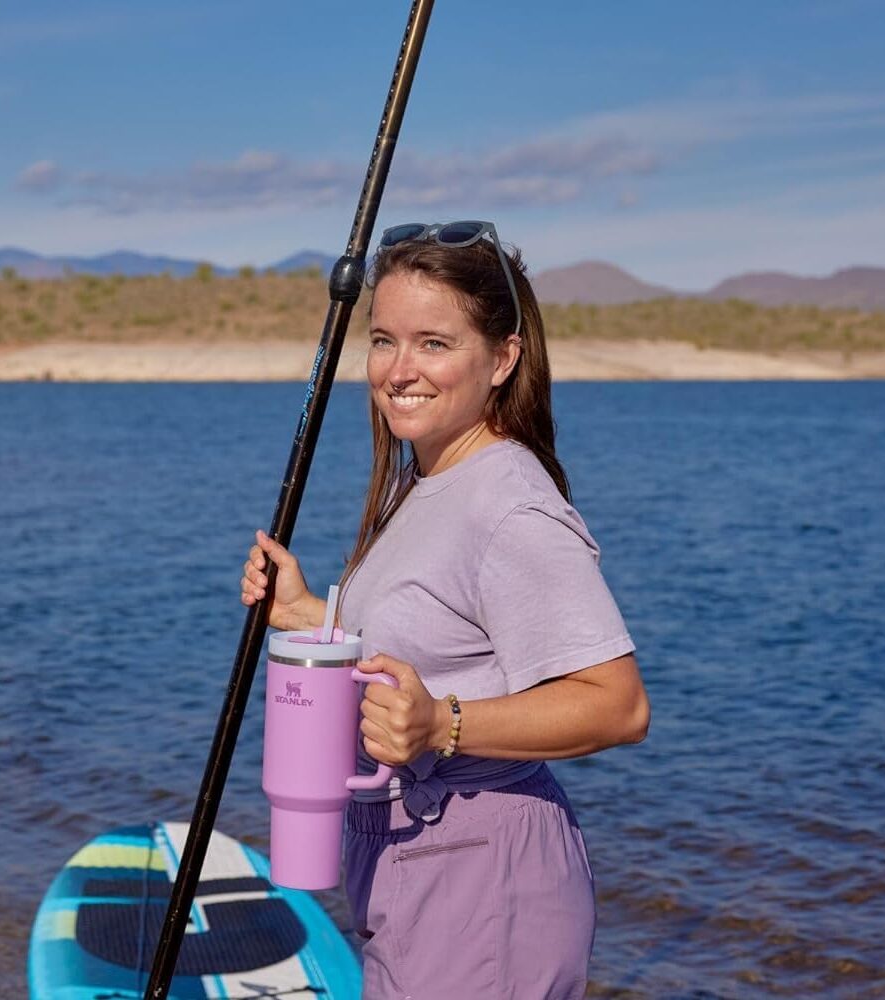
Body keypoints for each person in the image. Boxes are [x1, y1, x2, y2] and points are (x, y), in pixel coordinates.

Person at [241, 220, 649, 999]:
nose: (399, 369)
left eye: (434, 342)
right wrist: (306, 621)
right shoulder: (425, 482)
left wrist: (443, 725)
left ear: (502, 357)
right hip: (413, 859)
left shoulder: (510, 507)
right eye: (384, 339)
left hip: (482, 876)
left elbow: (619, 707)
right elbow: (426, 653)